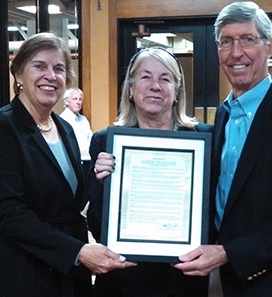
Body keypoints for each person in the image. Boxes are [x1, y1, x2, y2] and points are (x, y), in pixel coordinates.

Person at [173, 2, 272, 297]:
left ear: (269, 46)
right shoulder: (223, 115)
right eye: (226, 42)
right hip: (229, 282)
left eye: (248, 39)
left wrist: (228, 253)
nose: (236, 53)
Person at [0, 32, 135, 297]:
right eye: (39, 66)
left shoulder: (64, 128)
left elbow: (69, 201)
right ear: (18, 75)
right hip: (24, 273)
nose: (50, 76)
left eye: (59, 68)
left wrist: (99, 178)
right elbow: (8, 213)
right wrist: (76, 251)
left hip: (67, 274)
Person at [87, 47, 213, 297]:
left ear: (177, 92)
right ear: (131, 89)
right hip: (124, 278)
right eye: (145, 77)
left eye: (165, 79)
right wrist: (103, 185)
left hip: (184, 277)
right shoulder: (105, 142)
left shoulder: (203, 139)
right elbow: (96, 220)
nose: (155, 85)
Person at [60, 87, 93, 160]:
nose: (78, 102)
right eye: (75, 99)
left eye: (80, 99)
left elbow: (91, 141)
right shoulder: (62, 120)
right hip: (72, 161)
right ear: (66, 102)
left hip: (87, 161)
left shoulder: (84, 120)